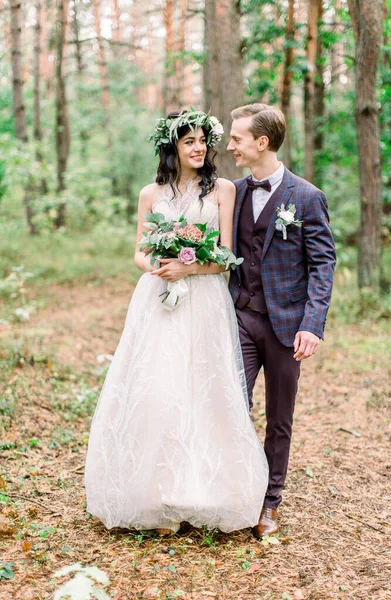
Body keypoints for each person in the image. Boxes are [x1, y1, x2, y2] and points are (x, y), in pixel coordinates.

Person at [85, 109, 269, 534]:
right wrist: (158, 263)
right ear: (172, 147)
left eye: (203, 140)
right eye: (189, 141)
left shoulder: (223, 189)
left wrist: (190, 267)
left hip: (204, 300)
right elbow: (137, 251)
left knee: (204, 387)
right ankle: (154, 495)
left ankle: (207, 491)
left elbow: (225, 256)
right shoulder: (151, 193)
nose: (199, 147)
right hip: (158, 297)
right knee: (158, 386)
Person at [227, 103, 336, 539]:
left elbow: (323, 264)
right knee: (230, 404)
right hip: (240, 318)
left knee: (279, 418)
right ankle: (232, 491)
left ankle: (269, 503)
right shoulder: (232, 192)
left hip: (288, 326)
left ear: (261, 142)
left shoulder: (307, 196)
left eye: (237, 138)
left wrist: (312, 323)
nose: (230, 145)